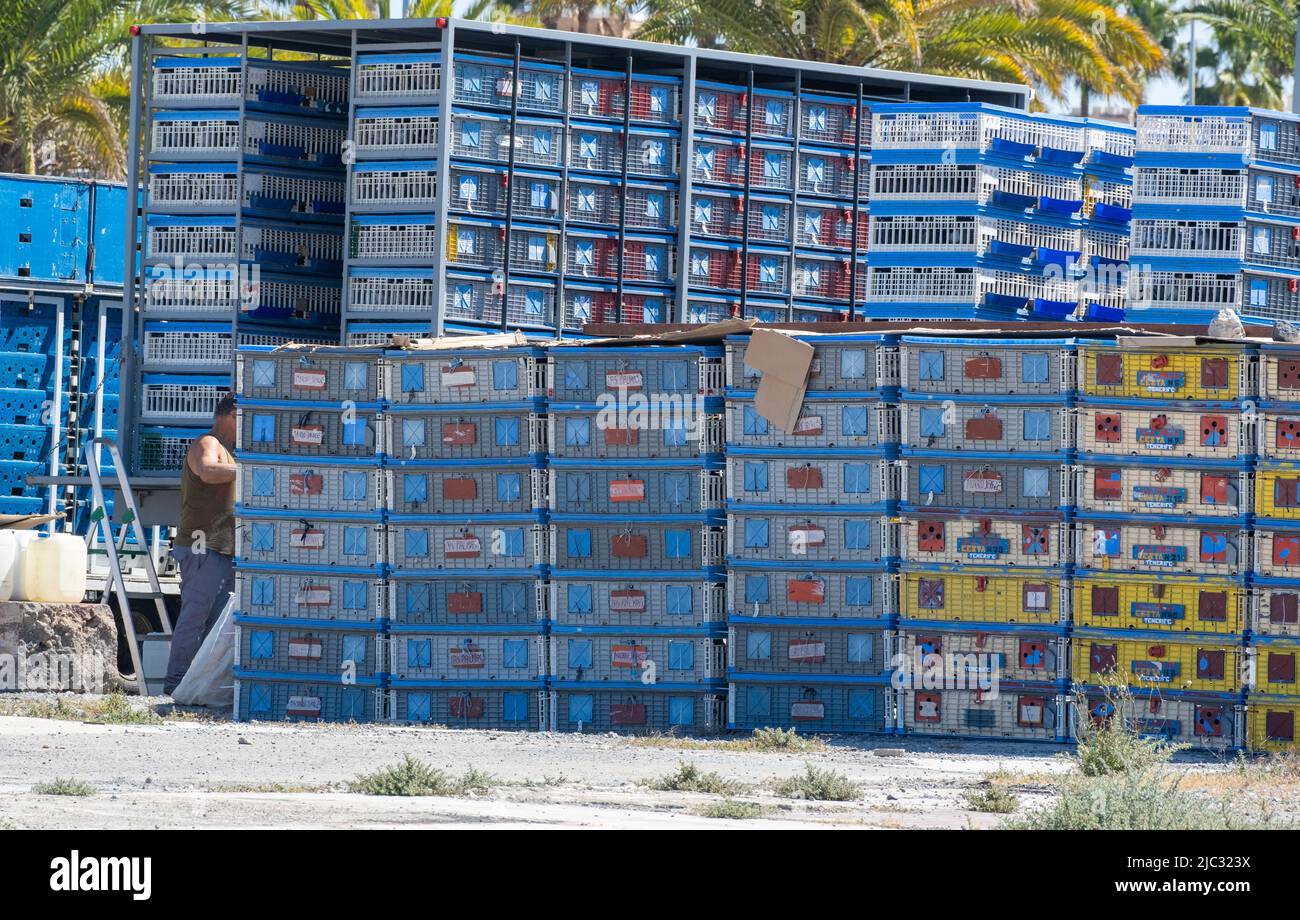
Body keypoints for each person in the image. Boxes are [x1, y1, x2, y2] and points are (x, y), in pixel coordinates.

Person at [164, 394, 237, 695]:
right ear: (233, 414)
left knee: (217, 627)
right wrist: (257, 470)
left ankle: (196, 688)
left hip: (222, 550)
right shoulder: (208, 444)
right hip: (202, 546)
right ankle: (175, 685)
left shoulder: (233, 451)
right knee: (196, 617)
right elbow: (207, 470)